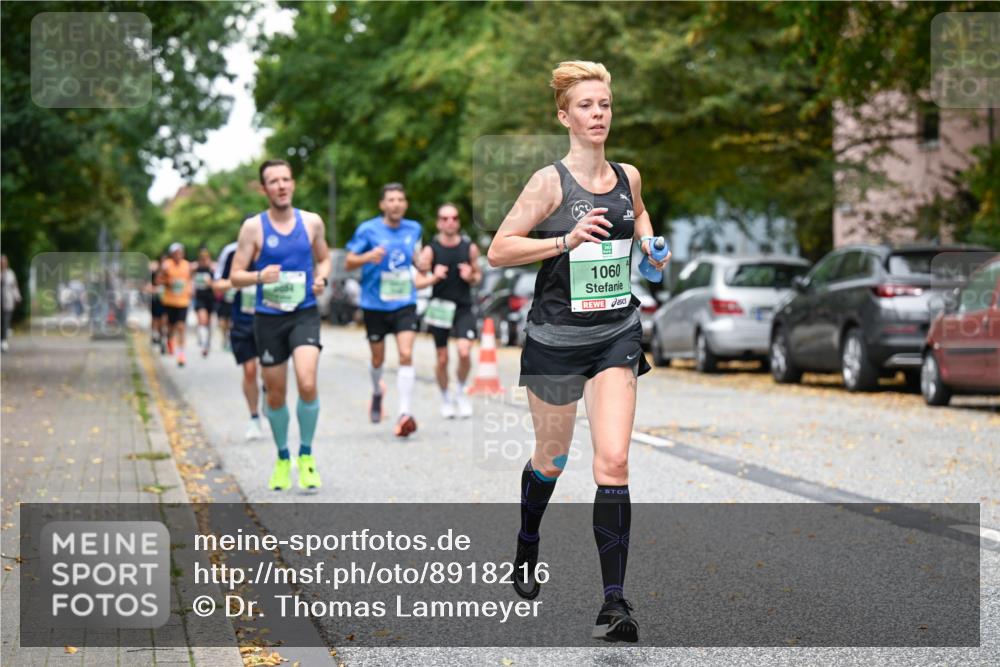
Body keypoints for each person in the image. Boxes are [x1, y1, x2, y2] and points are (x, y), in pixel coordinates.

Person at [486, 61, 670, 643]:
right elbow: (498, 250)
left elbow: (636, 215)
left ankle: (614, 603)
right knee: (552, 459)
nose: (598, 114)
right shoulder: (549, 183)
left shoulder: (628, 175)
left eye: (605, 104)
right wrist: (564, 240)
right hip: (556, 338)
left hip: (616, 330)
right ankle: (528, 540)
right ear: (564, 115)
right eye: (587, 105)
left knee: (613, 461)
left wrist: (649, 245)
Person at [230, 159, 332, 491]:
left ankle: (306, 455)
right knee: (275, 394)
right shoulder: (253, 228)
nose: (281, 185)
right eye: (273, 181)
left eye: (286, 179)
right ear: (264, 189)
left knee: (306, 381)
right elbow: (235, 275)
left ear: (293, 184)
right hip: (269, 318)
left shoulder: (312, 222)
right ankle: (283, 456)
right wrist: (260, 275)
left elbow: (325, 258)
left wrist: (322, 277)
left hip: (304, 313)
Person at [345, 183, 436, 438]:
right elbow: (349, 261)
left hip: (404, 301)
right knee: (377, 360)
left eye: (400, 199)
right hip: (374, 304)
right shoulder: (368, 229)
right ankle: (377, 390)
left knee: (406, 354)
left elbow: (416, 260)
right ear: (382, 205)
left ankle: (404, 413)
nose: (396, 203)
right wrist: (367, 257)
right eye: (391, 200)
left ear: (405, 204)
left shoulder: (414, 228)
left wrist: (422, 264)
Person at [417, 203, 481, 418]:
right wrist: (433, 277)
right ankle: (446, 397)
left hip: (463, 307)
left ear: (458, 222)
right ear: (438, 222)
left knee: (464, 352)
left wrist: (470, 276)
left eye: (454, 218)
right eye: (445, 218)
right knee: (442, 358)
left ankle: (461, 392)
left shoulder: (469, 247)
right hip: (439, 308)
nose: (450, 222)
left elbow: (478, 276)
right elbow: (417, 282)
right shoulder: (430, 250)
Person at [215, 232, 264, 441]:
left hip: (269, 320)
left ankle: (271, 396)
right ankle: (254, 417)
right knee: (250, 371)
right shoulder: (232, 252)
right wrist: (242, 281)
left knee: (271, 373)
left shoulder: (271, 249)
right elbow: (217, 284)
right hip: (243, 321)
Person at [157, 242, 193, 367]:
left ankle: (181, 355)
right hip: (170, 301)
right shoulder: (167, 265)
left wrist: (190, 289)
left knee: (181, 327)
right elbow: (158, 280)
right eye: (176, 253)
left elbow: (190, 280)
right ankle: (169, 341)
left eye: (180, 253)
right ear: (172, 254)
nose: (178, 255)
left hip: (183, 301)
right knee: (171, 327)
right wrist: (167, 282)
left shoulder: (187, 265)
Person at [193, 247, 216, 357]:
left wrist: (210, 283)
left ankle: (207, 341)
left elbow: (217, 285)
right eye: (202, 258)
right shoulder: (195, 269)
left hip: (210, 299)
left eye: (206, 258)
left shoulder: (213, 270)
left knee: (208, 323)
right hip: (199, 298)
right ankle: (203, 345)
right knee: (202, 320)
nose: (204, 260)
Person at [1, 255, 21, 352]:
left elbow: (14, 287)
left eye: (4, 262)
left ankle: (4, 341)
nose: (3, 264)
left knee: (6, 321)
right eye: (1, 262)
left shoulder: (10, 273)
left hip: (8, 301)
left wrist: (17, 297)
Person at [147, 257, 167, 353]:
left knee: (164, 321)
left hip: (166, 303)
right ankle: (155, 335)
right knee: (156, 319)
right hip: (156, 302)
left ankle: (163, 339)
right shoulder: (154, 273)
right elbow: (148, 287)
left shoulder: (168, 274)